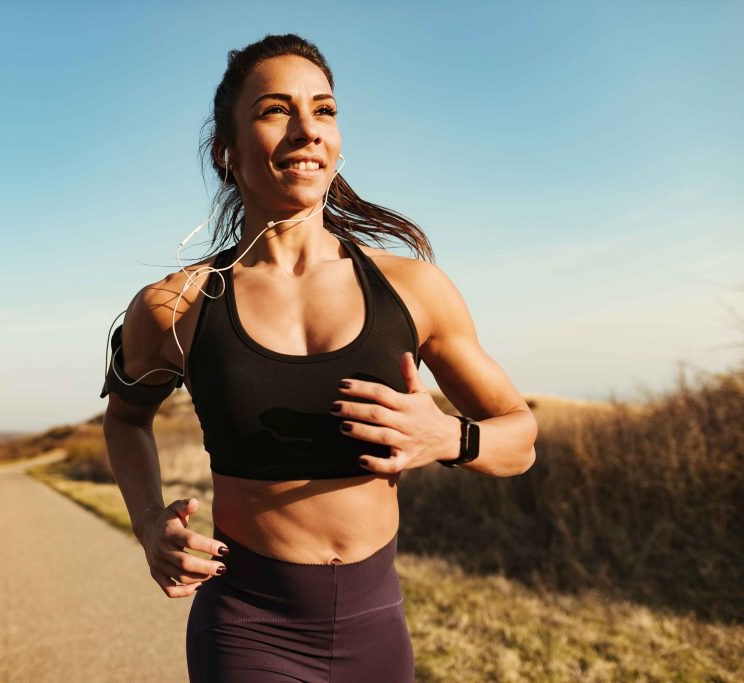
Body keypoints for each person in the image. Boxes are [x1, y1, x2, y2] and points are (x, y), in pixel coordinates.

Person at [100, 33, 538, 683]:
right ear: (226, 151)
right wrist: (146, 524)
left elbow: (520, 436)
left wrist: (447, 435)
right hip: (248, 628)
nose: (308, 129)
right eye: (276, 109)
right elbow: (126, 418)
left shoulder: (414, 289)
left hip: (377, 626)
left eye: (324, 110)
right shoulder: (177, 305)